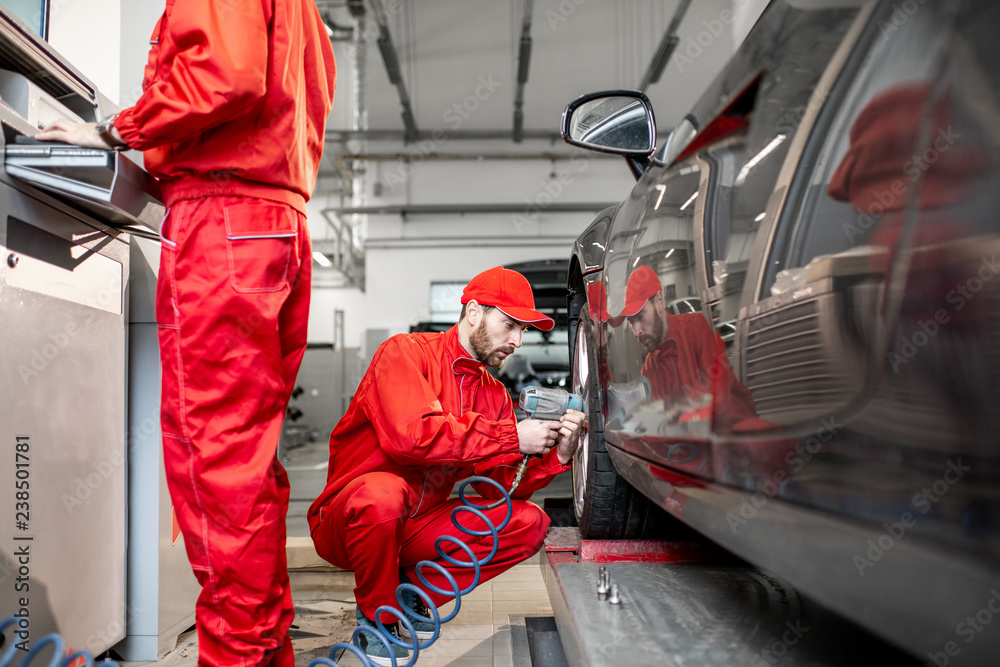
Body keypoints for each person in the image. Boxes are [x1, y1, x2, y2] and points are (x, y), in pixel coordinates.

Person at [37, 2, 337, 665]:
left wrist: (119, 129)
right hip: (272, 224)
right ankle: (263, 650)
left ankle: (237, 655)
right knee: (245, 464)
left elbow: (226, 76)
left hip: (223, 222)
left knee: (216, 461)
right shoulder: (303, 12)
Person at [308, 266, 584, 666]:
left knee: (529, 523)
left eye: (524, 331)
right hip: (349, 520)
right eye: (509, 325)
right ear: (474, 312)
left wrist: (557, 457)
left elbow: (499, 491)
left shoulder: (494, 396)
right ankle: (377, 621)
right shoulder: (404, 352)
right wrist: (511, 437)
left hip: (419, 524)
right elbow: (411, 439)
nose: (517, 342)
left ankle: (410, 593)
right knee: (385, 493)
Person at [609, 266, 759, 431]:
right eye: (631, 322)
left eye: (641, 316)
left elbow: (722, 400)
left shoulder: (695, 328)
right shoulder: (648, 370)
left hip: (737, 433)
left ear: (659, 301)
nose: (637, 331)